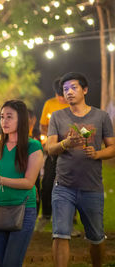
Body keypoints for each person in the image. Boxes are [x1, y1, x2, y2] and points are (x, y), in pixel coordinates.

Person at [47, 72, 115, 267]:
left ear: (85, 90)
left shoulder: (101, 116)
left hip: (91, 187)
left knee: (96, 237)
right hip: (63, 186)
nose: (68, 92)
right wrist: (65, 143)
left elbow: (112, 147)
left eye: (73, 87)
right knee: (60, 234)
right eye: (65, 89)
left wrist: (97, 154)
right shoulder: (58, 117)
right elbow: (50, 148)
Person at [0, 100, 43, 266]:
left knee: (11, 262)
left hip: (23, 209)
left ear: (22, 120)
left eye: (9, 117)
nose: (4, 121)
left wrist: (0, 180)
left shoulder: (33, 146)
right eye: (2, 117)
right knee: (1, 262)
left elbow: (29, 182)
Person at [35, 78, 69, 232]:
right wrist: (47, 141)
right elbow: (43, 126)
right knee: (47, 183)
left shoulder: (73, 105)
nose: (60, 98)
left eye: (62, 94)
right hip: (52, 150)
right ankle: (46, 214)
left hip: (70, 152)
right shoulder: (50, 104)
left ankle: (68, 218)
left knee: (69, 185)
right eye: (58, 94)